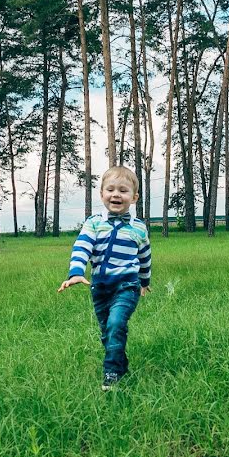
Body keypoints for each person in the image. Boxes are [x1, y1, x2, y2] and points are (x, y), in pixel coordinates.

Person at [58, 166, 152, 391]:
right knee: (107, 332)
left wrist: (145, 282)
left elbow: (145, 256)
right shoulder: (93, 223)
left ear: (134, 197)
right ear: (102, 195)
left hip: (127, 285)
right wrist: (76, 272)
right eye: (110, 189)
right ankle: (122, 365)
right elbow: (82, 247)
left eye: (123, 190)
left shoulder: (139, 228)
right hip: (100, 288)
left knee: (116, 323)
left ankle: (111, 374)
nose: (116, 194)